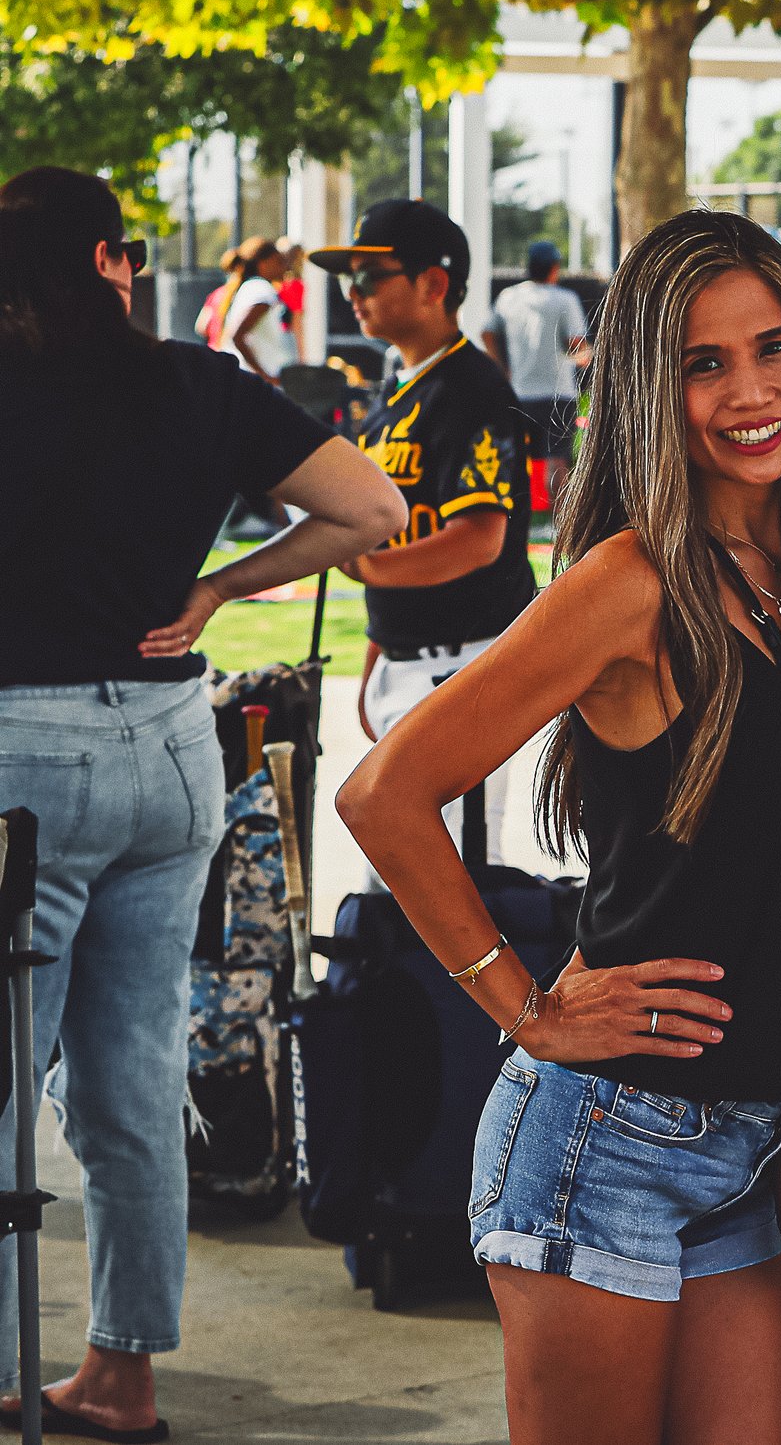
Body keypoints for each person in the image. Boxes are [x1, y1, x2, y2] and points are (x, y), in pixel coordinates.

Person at [338, 208, 781, 1445]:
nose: (751, 390)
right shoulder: (631, 582)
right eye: (702, 363)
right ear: (645, 384)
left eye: (776, 346)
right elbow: (384, 793)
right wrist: (521, 1002)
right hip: (605, 1142)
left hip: (747, 1139)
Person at [0, 166, 403, 1442]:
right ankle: (122, 1373)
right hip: (174, 749)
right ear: (115, 261)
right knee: (130, 1080)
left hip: (22, 757)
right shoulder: (197, 380)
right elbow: (374, 509)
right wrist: (223, 589)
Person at [313, 200, 538, 864]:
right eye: (347, 280)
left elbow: (479, 538)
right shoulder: (398, 387)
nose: (352, 295)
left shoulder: (471, 388)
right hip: (411, 660)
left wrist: (368, 569)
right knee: (400, 877)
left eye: (369, 278)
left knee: (452, 879)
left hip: (461, 663)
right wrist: (379, 653)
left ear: (433, 284)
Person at [484, 239, 592, 511]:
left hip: (518, 393)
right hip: (559, 393)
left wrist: (502, 367)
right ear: (554, 268)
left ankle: (514, 525)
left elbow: (487, 332)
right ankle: (563, 530)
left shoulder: (509, 297)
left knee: (516, 463)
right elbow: (576, 345)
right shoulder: (565, 300)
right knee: (557, 463)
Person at [204, 236, 295, 379]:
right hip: (254, 384)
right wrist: (264, 376)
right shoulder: (261, 289)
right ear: (263, 264)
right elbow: (237, 335)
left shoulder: (249, 287)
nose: (285, 267)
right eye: (279, 261)